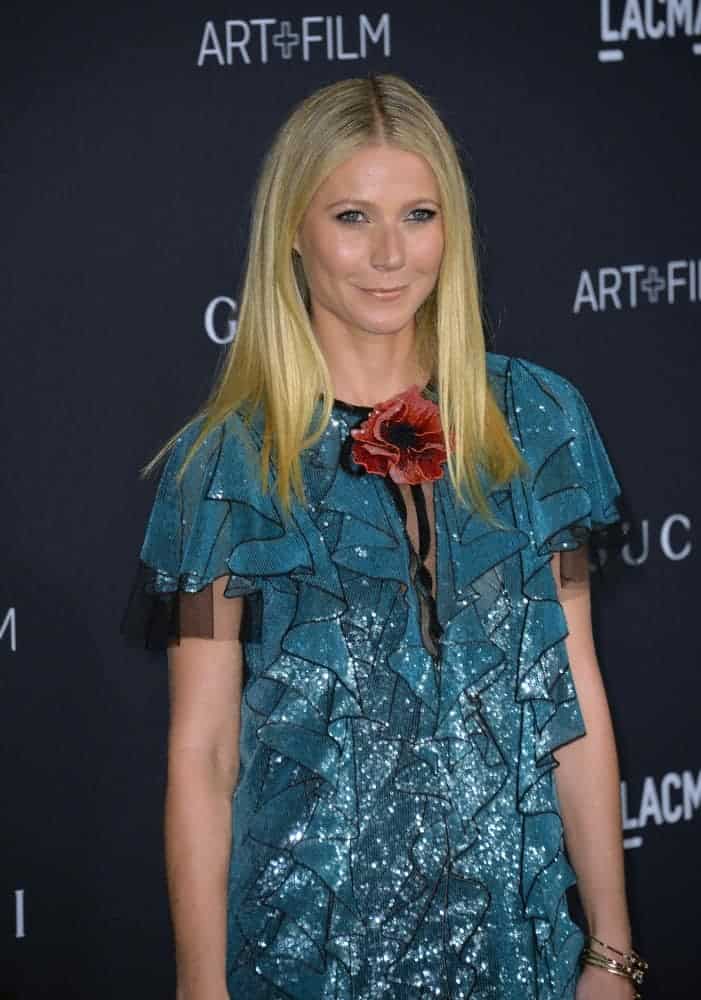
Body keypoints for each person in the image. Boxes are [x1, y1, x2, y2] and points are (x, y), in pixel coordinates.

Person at [122, 74, 647, 1000]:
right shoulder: (227, 465)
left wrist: (608, 949)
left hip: (513, 947)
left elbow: (575, 701)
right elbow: (203, 758)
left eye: (417, 213)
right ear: (293, 229)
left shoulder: (539, 422)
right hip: (306, 956)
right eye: (352, 217)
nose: (390, 255)